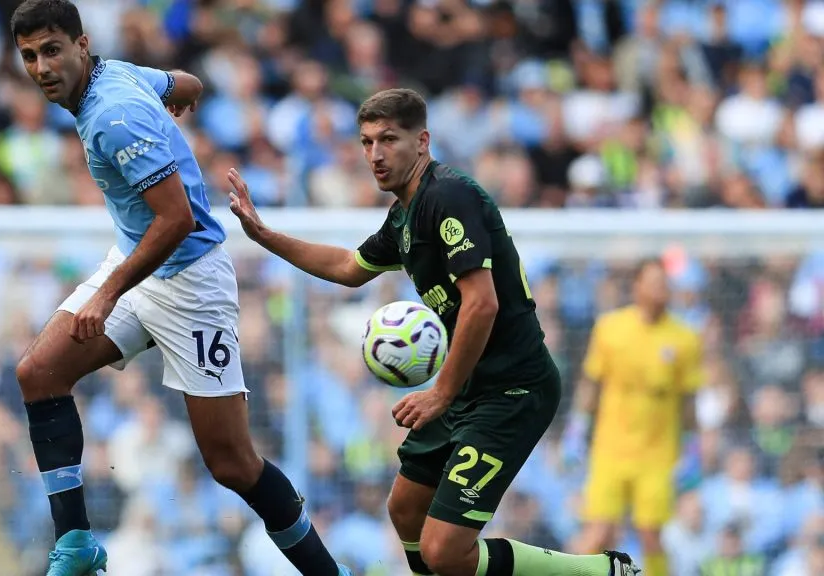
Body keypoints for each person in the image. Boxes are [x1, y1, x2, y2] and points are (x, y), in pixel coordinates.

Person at [225, 87, 641, 576]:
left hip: (513, 390)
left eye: (388, 139)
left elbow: (482, 304)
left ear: (421, 141)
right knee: (404, 509)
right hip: (468, 389)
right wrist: (265, 236)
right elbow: (347, 267)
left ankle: (600, 571)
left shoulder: (447, 195)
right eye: (366, 142)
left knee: (446, 550)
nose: (375, 155)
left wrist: (440, 393)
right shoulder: (405, 213)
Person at [9, 2, 353, 575]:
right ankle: (76, 543)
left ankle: (327, 571)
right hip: (140, 261)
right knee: (38, 374)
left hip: (191, 282)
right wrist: (178, 98)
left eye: (51, 50)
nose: (41, 67)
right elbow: (188, 82)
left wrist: (105, 294)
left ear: (81, 45)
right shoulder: (117, 73)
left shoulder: (114, 113)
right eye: (29, 56)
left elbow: (177, 221)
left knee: (233, 464)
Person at [562, 258, 704, 576]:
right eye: (653, 282)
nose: (660, 289)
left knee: (652, 535)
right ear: (636, 286)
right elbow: (591, 384)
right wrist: (576, 430)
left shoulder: (685, 339)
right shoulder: (610, 329)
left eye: (664, 283)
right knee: (599, 533)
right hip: (610, 450)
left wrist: (692, 447)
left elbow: (688, 400)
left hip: (657, 455)